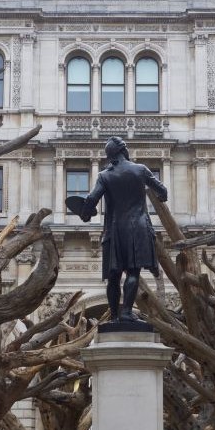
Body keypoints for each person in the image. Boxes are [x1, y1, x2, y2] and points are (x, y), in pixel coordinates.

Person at [79, 136, 168, 323]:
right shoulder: (141, 170)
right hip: (138, 228)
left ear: (110, 155)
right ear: (124, 150)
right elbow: (163, 190)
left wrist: (86, 212)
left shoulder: (105, 175)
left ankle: (114, 316)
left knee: (114, 276)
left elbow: (92, 199)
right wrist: (161, 199)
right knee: (133, 271)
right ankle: (126, 311)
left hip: (115, 229)